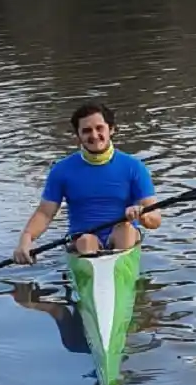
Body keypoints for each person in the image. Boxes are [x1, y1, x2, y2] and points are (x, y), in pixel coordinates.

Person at [13, 102, 160, 264]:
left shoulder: (134, 167)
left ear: (111, 129)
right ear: (78, 136)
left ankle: (116, 271)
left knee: (125, 230)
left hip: (124, 237)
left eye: (99, 128)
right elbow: (45, 213)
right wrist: (26, 239)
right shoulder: (61, 170)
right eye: (87, 131)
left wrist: (143, 214)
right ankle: (96, 270)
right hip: (82, 240)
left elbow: (156, 220)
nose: (94, 135)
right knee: (86, 241)